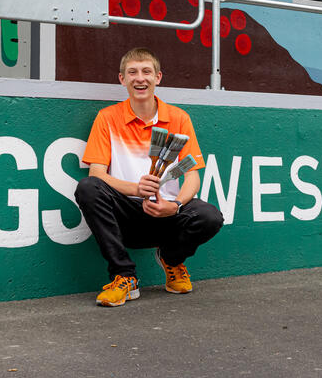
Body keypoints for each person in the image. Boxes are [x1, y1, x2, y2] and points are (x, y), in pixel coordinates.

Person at [75, 47, 224, 306]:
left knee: (209, 216)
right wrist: (135, 188)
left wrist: (175, 205)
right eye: (132, 72)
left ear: (158, 77)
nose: (139, 78)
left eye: (146, 72)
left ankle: (171, 259)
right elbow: (97, 173)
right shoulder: (107, 118)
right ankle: (124, 275)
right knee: (88, 187)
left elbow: (192, 177)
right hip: (126, 216)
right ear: (122, 79)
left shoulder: (179, 118)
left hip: (167, 214)